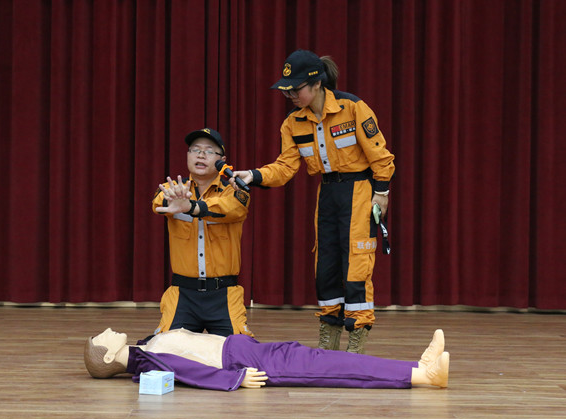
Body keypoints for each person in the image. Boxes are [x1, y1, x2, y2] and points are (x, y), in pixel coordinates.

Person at [231, 50, 395, 353]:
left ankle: (357, 336)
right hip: (328, 193)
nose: (290, 95)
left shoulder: (352, 108)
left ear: (317, 83)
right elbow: (285, 168)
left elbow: (381, 157)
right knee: (326, 265)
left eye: (296, 89)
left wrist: (381, 193)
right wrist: (253, 175)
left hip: (359, 190)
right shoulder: (293, 123)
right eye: (286, 90)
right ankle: (329, 338)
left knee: (356, 263)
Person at [83, 328, 449, 391]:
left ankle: (418, 369)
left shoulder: (146, 348)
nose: (108, 330)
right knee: (328, 366)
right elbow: (188, 371)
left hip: (243, 350)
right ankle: (422, 374)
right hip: (241, 362)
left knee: (322, 359)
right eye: (103, 338)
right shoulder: (148, 360)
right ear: (110, 354)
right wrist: (234, 379)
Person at [151, 128, 253, 337]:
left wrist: (190, 206)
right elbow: (158, 203)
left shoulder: (235, 191)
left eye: (209, 151)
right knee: (162, 350)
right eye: (195, 150)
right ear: (188, 155)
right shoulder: (174, 189)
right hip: (182, 294)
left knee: (239, 351)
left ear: (221, 161)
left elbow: (231, 208)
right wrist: (173, 200)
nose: (200, 155)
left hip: (224, 294)